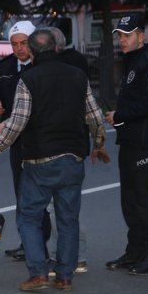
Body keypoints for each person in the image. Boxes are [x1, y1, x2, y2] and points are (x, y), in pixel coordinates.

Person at [0, 29, 110, 292]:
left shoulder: (29, 78)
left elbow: (16, 124)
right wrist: (99, 145)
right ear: (57, 48)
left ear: (31, 52)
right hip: (72, 157)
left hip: (40, 160)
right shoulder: (78, 76)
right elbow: (95, 117)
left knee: (28, 217)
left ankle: (39, 273)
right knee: (68, 218)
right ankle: (65, 277)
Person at [105, 12, 148, 275]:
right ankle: (135, 252)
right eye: (120, 35)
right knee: (129, 200)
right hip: (129, 141)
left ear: (141, 36)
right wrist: (118, 118)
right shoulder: (131, 62)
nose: (123, 40)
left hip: (144, 143)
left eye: (128, 35)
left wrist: (118, 115)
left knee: (145, 200)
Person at [0, 20, 36, 261]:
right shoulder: (6, 65)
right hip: (15, 140)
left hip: (38, 139)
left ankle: (41, 244)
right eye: (14, 44)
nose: (19, 48)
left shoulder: (41, 66)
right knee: (21, 193)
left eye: (23, 43)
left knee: (40, 196)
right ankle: (28, 243)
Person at [44, 26, 93, 275]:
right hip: (75, 145)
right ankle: (74, 257)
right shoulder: (77, 65)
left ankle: (65, 257)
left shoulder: (59, 70)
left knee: (58, 206)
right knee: (67, 206)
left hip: (58, 146)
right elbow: (91, 111)